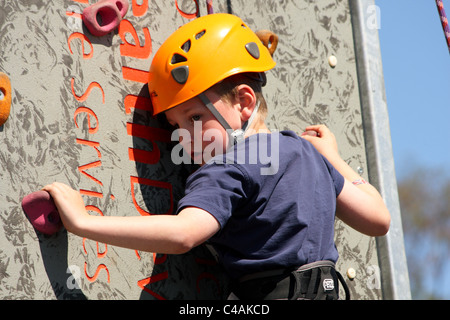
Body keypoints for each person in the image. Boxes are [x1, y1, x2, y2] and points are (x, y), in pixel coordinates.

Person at [43, 13, 390, 300]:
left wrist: (84, 222)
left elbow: (184, 234)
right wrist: (332, 156)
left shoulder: (228, 167)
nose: (183, 136)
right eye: (175, 125)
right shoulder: (306, 155)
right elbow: (377, 219)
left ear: (244, 102)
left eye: (195, 117)